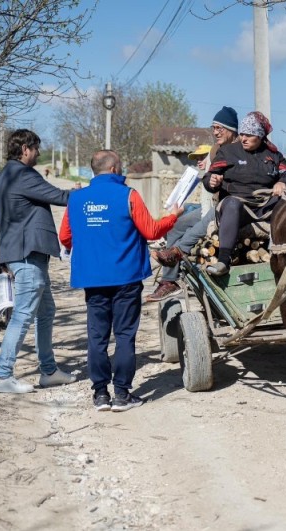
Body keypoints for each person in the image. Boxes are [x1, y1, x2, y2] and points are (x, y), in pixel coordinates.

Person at [59, 150, 183, 411]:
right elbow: (151, 230)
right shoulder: (128, 195)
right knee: (125, 334)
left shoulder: (76, 199)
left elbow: (66, 238)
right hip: (126, 277)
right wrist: (173, 216)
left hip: (93, 279)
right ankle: (122, 395)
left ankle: (100, 394)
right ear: (115, 169)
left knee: (97, 336)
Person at [0, 129, 78, 393]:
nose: (39, 153)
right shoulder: (22, 174)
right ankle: (3, 375)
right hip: (28, 256)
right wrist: (89, 194)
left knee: (46, 311)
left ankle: (48, 370)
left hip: (24, 254)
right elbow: (60, 197)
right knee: (23, 315)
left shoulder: (5, 175)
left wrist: (3, 256)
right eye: (36, 148)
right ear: (25, 149)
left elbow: (5, 220)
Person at [146, 106, 239, 302]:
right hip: (212, 202)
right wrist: (209, 175)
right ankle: (170, 281)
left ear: (231, 129)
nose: (215, 132)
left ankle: (177, 252)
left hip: (229, 206)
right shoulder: (215, 150)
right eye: (213, 128)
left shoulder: (241, 149)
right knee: (178, 223)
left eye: (219, 128)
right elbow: (208, 183)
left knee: (199, 223)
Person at [202, 111, 286, 276]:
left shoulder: (273, 155)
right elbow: (209, 175)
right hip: (236, 207)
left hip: (264, 206)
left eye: (249, 135)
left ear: (260, 136)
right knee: (233, 203)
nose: (244, 138)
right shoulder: (228, 152)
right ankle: (223, 261)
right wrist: (212, 181)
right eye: (242, 134)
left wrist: (283, 182)